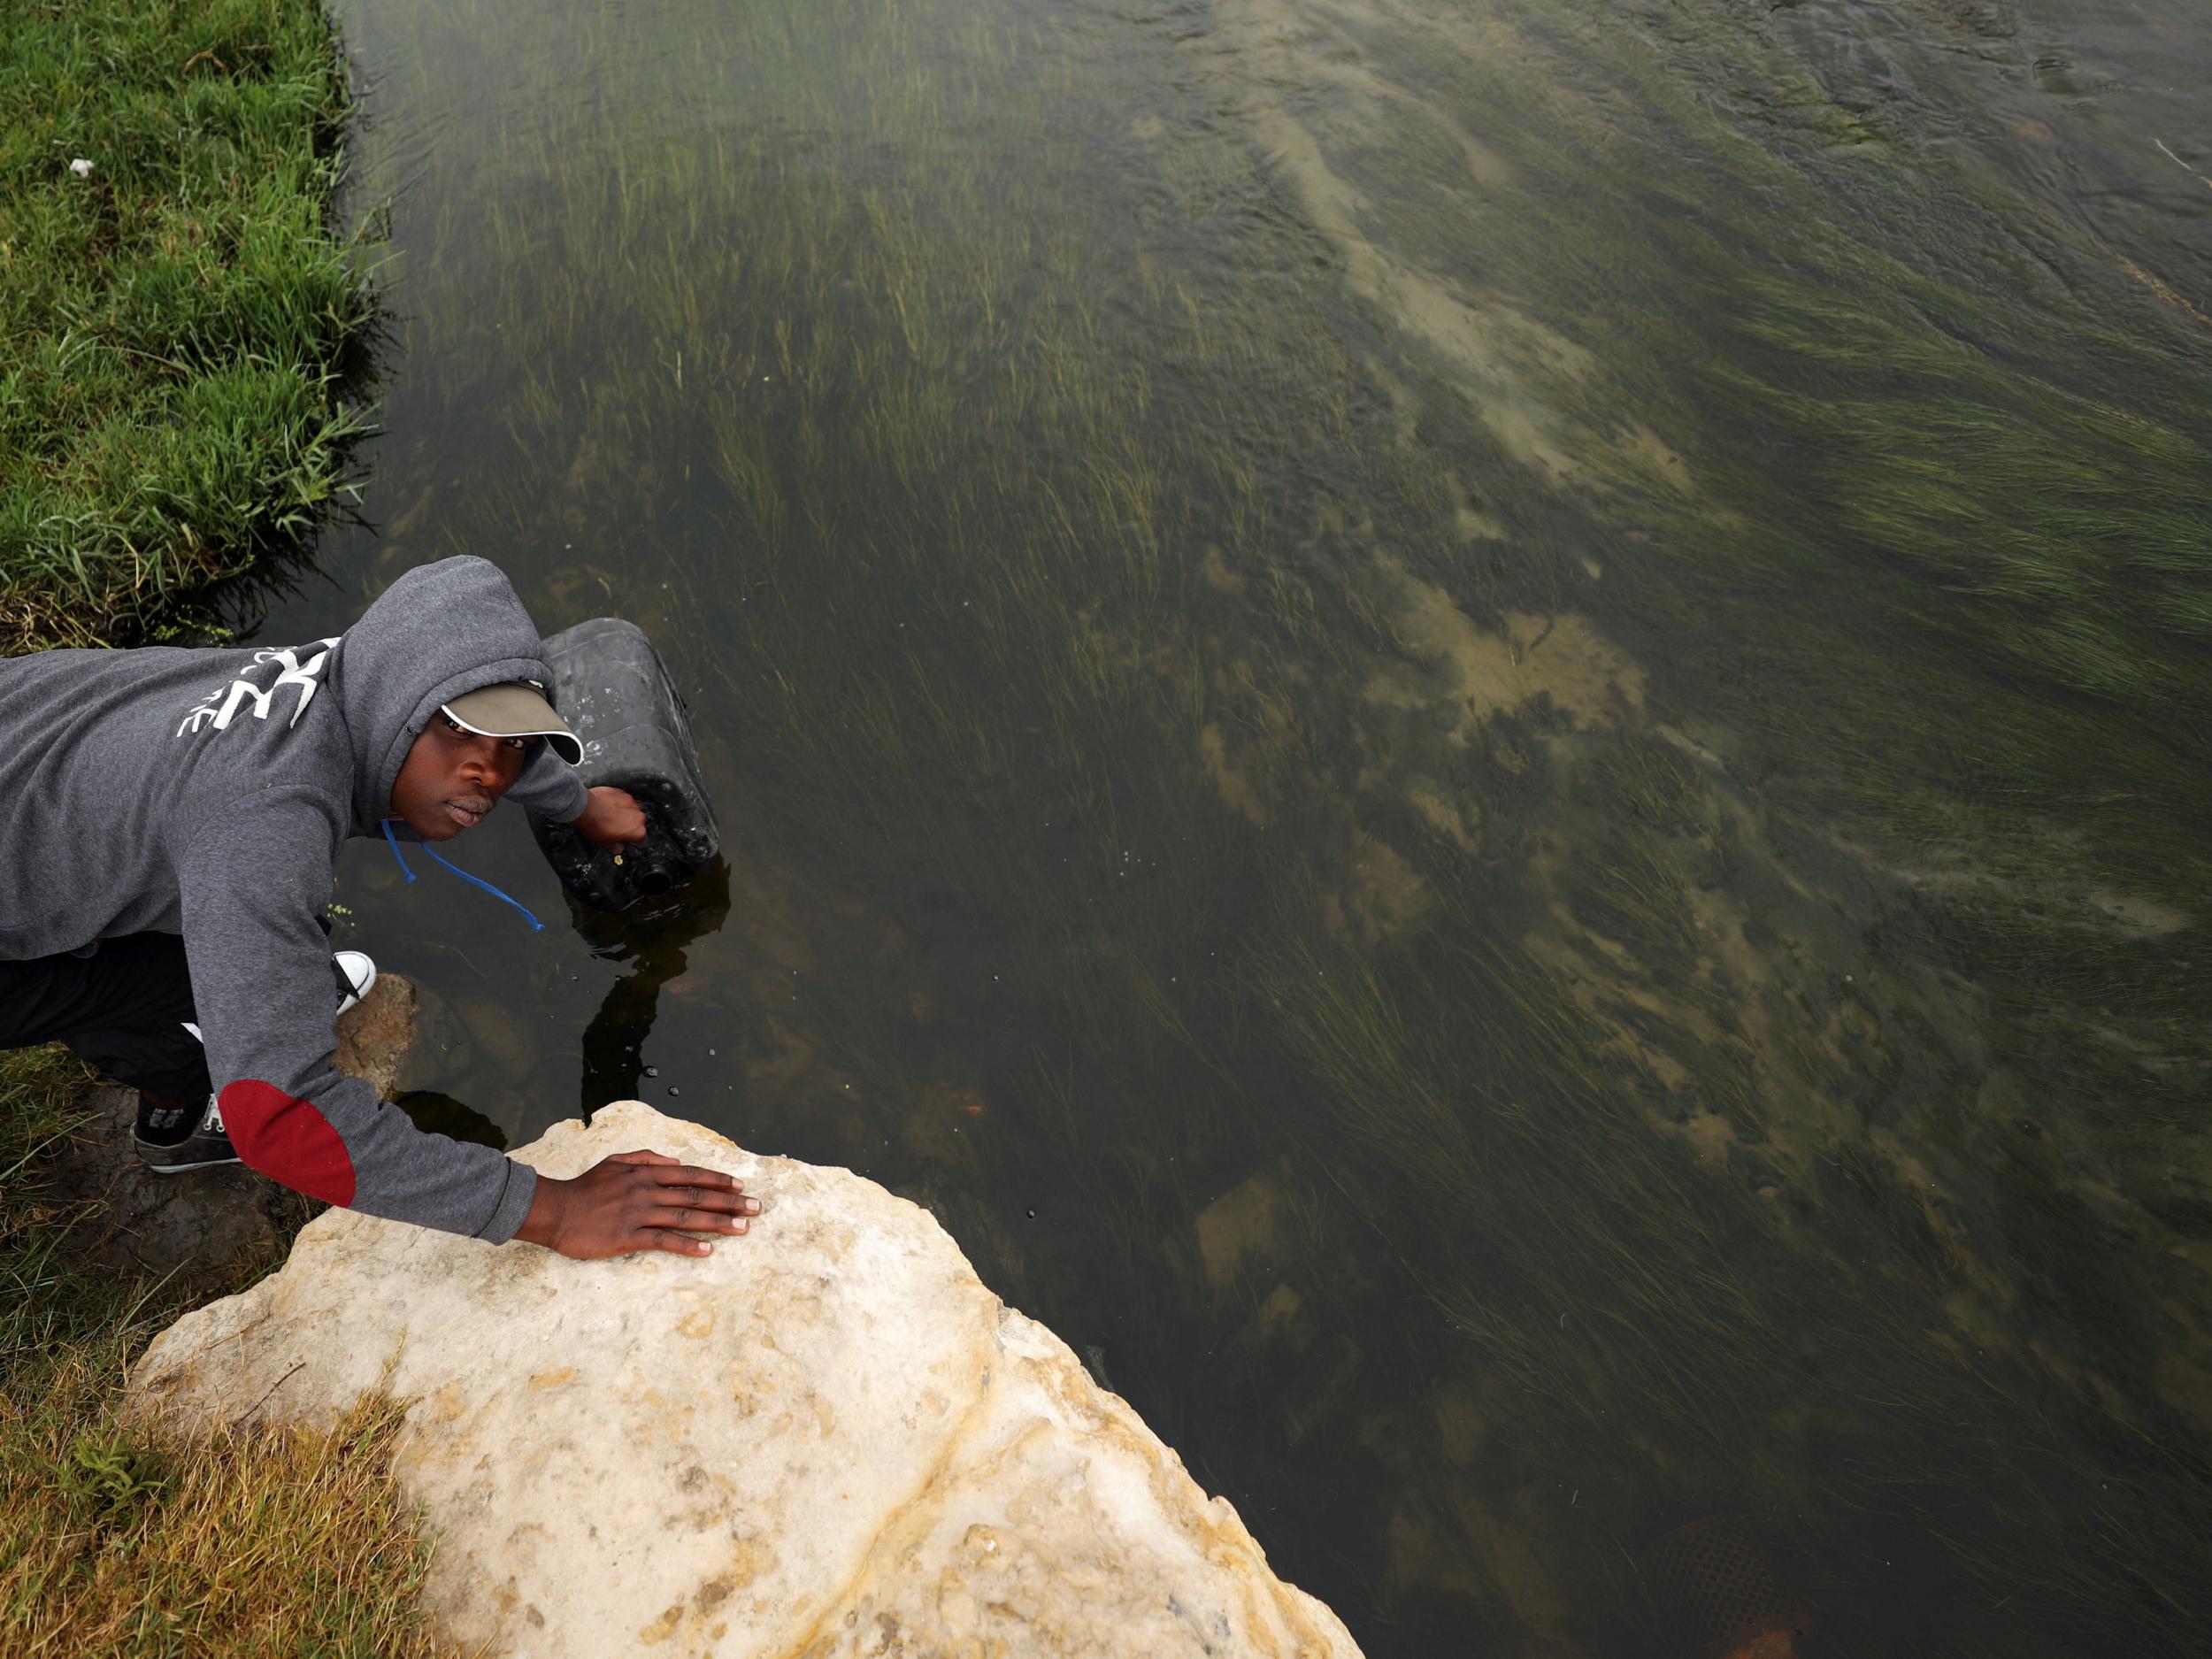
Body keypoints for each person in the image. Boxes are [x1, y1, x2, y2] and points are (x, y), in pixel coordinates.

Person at [0, 555, 758, 1259]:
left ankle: (245, 1007)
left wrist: (575, 801)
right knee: (199, 1001)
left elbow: (469, 733)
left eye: (511, 747)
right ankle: (177, 1122)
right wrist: (553, 1209)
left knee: (248, 958)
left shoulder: (344, 672)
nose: (487, 775)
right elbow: (281, 1119)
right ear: (396, 702)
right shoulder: (268, 817)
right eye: (458, 730)